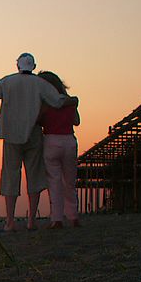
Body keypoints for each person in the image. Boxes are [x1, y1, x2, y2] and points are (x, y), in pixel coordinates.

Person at [0, 53, 78, 231]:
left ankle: (10, 221)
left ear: (17, 65)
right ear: (33, 66)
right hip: (33, 132)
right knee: (34, 175)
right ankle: (31, 220)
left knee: (11, 175)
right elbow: (57, 101)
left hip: (11, 134)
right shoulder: (39, 83)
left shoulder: (6, 82)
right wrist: (73, 101)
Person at [37, 71, 81, 229]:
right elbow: (76, 121)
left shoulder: (45, 104)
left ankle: (57, 219)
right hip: (69, 140)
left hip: (51, 140)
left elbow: (38, 121)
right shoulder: (70, 102)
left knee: (54, 181)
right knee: (69, 181)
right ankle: (73, 216)